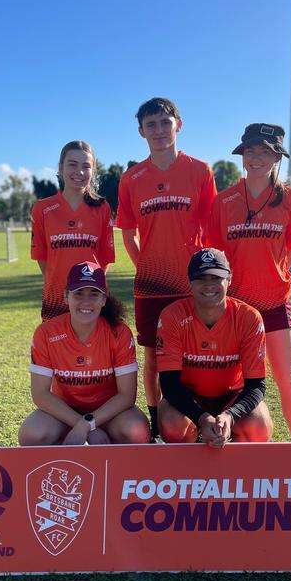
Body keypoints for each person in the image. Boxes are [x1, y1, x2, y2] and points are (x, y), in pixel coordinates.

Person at [116, 97, 217, 440]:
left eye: (164, 122)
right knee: (154, 359)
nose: (159, 130)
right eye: (151, 124)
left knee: (196, 354)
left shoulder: (200, 171)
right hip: (151, 285)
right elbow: (128, 234)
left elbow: (212, 230)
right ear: (141, 131)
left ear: (179, 124)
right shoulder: (132, 177)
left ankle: (201, 418)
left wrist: (202, 275)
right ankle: (158, 423)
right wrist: (145, 265)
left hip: (191, 283)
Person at [205, 123, 291, 441]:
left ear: (277, 157)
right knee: (228, 379)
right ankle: (223, 436)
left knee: (286, 377)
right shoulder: (224, 202)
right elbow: (215, 255)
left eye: (265, 151)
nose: (257, 157)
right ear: (242, 155)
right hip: (234, 307)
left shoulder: (289, 199)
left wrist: (271, 278)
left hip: (275, 303)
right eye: (251, 150)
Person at [19, 262, 150, 445]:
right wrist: (82, 425)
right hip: (65, 411)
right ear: (66, 296)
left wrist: (90, 423)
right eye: (78, 293)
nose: (86, 302)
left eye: (94, 294)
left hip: (109, 412)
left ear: (103, 299)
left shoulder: (118, 332)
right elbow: (40, 394)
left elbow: (127, 395)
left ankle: (117, 471)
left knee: (135, 431)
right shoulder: (47, 332)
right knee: (33, 434)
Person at [156, 248, 272, 447]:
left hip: (232, 397)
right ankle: (189, 465)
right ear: (190, 281)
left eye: (216, 277)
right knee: (172, 425)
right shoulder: (172, 316)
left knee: (258, 425)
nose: (208, 285)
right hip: (190, 396)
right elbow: (169, 384)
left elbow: (256, 385)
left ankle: (237, 464)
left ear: (229, 279)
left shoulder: (248, 318)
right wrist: (202, 418)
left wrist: (230, 416)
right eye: (201, 278)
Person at [31, 140, 115, 320]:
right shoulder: (42, 208)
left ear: (93, 171)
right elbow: (43, 259)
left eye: (86, 166)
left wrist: (88, 290)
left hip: (89, 300)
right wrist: (60, 285)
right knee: (55, 347)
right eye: (72, 164)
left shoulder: (102, 208)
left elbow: (104, 260)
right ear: (61, 167)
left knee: (91, 347)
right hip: (55, 299)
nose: (80, 172)